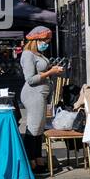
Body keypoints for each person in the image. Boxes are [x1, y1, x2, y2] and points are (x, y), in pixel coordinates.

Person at [19, 26, 62, 170]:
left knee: (39, 128)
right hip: (33, 94)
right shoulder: (28, 54)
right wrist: (50, 71)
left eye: (48, 40)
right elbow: (30, 79)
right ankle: (30, 160)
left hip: (41, 94)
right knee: (33, 127)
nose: (47, 43)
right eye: (45, 40)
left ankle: (37, 158)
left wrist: (51, 70)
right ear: (36, 39)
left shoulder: (38, 54)